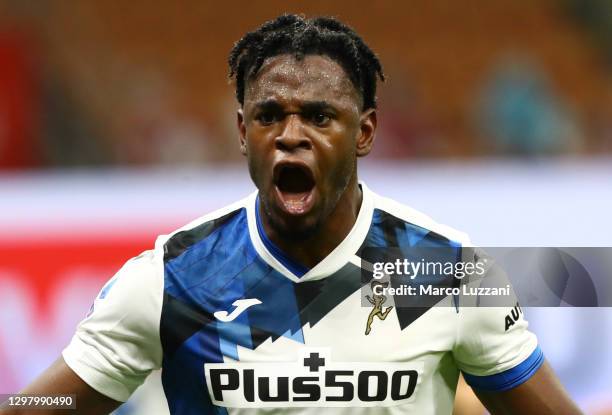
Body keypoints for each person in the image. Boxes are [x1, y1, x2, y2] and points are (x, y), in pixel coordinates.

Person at [0, 14, 582, 415]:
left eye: (320, 118)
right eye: (269, 115)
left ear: (366, 133)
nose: (290, 137)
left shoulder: (441, 273)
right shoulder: (172, 280)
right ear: (241, 131)